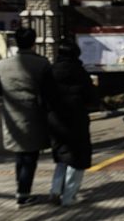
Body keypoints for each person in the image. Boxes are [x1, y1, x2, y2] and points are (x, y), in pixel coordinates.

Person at [0, 27, 53, 207]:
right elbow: (50, 90)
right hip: (35, 115)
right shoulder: (42, 64)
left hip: (12, 116)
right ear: (34, 43)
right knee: (30, 157)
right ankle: (24, 194)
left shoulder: (2, 65)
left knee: (20, 156)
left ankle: (22, 190)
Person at [47, 39, 96, 206]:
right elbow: (91, 97)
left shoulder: (50, 72)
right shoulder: (80, 72)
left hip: (55, 120)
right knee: (77, 158)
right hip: (76, 119)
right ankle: (69, 196)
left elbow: (42, 97)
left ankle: (55, 190)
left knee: (62, 156)